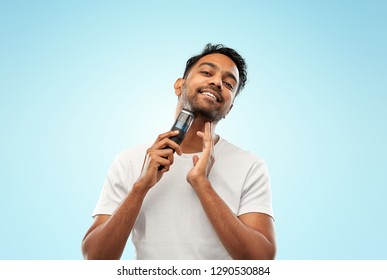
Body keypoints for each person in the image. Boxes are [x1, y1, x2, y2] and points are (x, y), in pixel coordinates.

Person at [82, 43, 276, 260]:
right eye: (206, 72)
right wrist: (140, 187)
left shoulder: (249, 165)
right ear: (178, 86)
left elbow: (262, 261)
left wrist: (202, 185)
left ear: (229, 108)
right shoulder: (129, 160)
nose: (217, 82)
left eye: (229, 84)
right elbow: (95, 258)